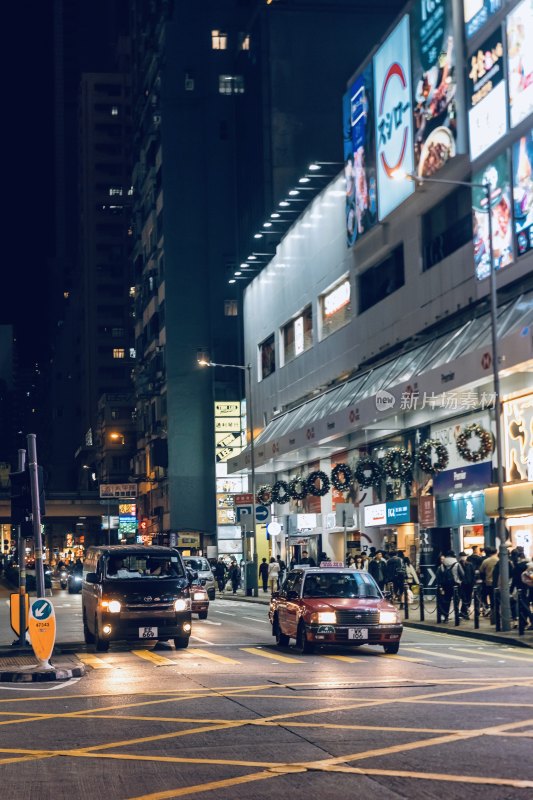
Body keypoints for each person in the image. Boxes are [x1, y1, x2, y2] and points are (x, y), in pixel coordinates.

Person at [436, 550, 464, 622]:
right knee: (456, 601)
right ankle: (457, 617)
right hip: (456, 585)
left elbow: (438, 575)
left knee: (446, 601)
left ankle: (445, 617)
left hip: (446, 586)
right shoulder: (456, 563)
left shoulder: (442, 565)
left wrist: (440, 585)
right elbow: (462, 574)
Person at [479, 547, 499, 616]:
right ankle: (497, 612)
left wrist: (483, 579)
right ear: (496, 552)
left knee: (491, 597)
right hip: (499, 583)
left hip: (488, 582)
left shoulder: (486, 561)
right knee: (498, 598)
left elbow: (481, 571)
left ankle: (492, 612)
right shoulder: (499, 560)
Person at [458, 552, 475, 619]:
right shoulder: (458, 564)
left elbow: (473, 573)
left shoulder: (469, 564)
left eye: (464, 556)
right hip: (462, 584)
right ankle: (464, 613)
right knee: (464, 598)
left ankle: (463, 612)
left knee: (468, 598)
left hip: (469, 584)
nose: (463, 557)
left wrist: (473, 583)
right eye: (462, 556)